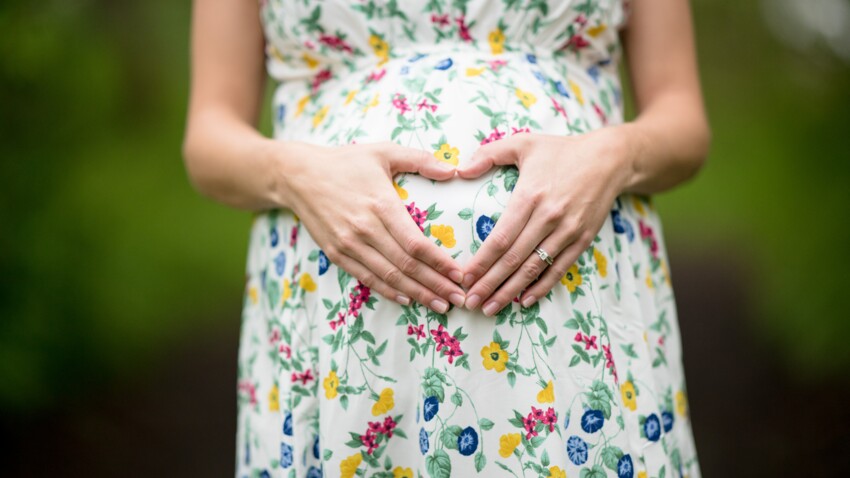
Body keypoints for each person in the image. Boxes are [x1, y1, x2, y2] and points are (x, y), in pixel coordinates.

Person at [182, 0, 710, 476]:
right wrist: (291, 173)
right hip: (332, 318)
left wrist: (614, 156)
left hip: (577, 304)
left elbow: (682, 118)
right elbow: (209, 137)